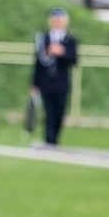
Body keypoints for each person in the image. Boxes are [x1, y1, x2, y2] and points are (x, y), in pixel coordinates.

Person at [29, 8, 79, 147]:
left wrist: (62, 53)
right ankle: (49, 141)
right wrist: (35, 84)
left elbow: (74, 60)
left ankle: (54, 140)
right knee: (49, 113)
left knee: (59, 114)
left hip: (61, 83)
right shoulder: (44, 38)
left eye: (60, 20)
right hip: (46, 83)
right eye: (55, 20)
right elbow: (38, 62)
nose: (57, 23)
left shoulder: (70, 39)